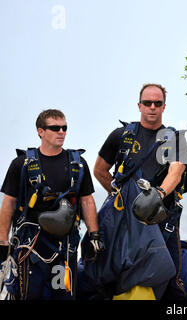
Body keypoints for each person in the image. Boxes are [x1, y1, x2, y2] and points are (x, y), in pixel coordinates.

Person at [93, 83, 187, 299]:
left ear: (164, 107)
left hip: (161, 221)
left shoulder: (175, 139)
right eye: (147, 103)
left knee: (170, 279)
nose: (152, 107)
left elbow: (176, 172)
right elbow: (99, 170)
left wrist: (157, 196)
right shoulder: (121, 136)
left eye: (157, 103)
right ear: (139, 106)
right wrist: (123, 198)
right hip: (124, 223)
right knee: (109, 276)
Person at [0, 109, 104, 300]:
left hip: (63, 248)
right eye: (55, 128)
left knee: (63, 295)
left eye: (64, 128)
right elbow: (9, 203)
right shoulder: (21, 164)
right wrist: (3, 241)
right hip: (30, 245)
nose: (61, 132)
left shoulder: (78, 164)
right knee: (28, 295)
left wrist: (94, 234)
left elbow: (87, 201)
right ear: (41, 131)